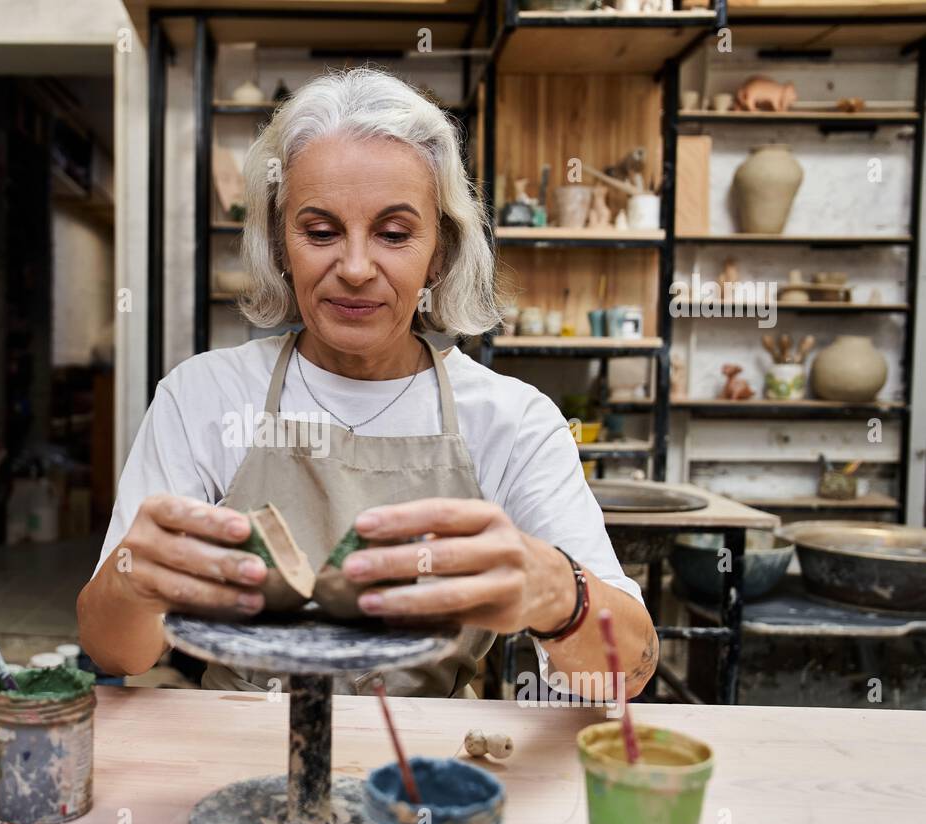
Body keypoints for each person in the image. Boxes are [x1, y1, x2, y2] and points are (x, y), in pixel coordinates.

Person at [78, 67, 656, 699]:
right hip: (241, 752)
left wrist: (556, 593)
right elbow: (117, 653)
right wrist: (136, 579)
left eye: (394, 233)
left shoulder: (511, 420)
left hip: (426, 771)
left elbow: (623, 672)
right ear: (279, 244)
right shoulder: (204, 398)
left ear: (439, 251)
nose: (354, 268)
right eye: (320, 232)